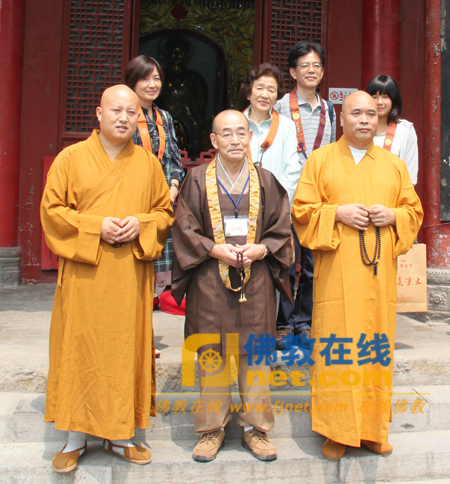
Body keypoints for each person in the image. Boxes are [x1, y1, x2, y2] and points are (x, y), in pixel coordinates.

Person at [40, 85, 174, 473]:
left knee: (123, 349)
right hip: (85, 273)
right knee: (80, 348)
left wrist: (141, 223)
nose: (124, 118)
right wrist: (95, 226)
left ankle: (121, 435)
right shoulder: (71, 158)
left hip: (129, 274)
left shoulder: (148, 163)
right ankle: (74, 437)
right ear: (99, 114)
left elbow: (164, 213)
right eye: (116, 110)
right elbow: (52, 212)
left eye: (132, 112)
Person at [291, 91, 423, 461]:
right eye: (356, 113)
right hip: (337, 275)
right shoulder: (320, 160)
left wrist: (393, 216)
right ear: (342, 117)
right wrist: (337, 213)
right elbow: (302, 211)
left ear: (378, 119)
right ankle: (336, 431)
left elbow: (413, 212)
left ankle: (372, 430)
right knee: (337, 349)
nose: (364, 119)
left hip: (378, 279)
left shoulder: (393, 166)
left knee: (375, 349)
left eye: (370, 113)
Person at [171, 110, 292, 463]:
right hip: (209, 278)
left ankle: (257, 429)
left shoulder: (267, 181)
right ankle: (211, 429)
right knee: (212, 353)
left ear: (250, 137)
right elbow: (184, 227)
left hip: (256, 278)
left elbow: (282, 227)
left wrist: (262, 249)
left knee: (255, 356)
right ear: (214, 140)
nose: (235, 140)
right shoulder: (195, 180)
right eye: (226, 133)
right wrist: (213, 249)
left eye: (241, 132)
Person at [274, 41, 336, 348]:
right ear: (292, 72)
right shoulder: (279, 106)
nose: (311, 71)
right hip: (285, 196)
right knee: (286, 263)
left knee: (312, 265)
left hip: (316, 199)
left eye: (316, 66)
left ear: (322, 72)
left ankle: (304, 321)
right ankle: (282, 323)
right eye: (304, 66)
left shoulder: (329, 109)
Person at [125, 55, 184, 295]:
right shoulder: (126, 116)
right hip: (134, 200)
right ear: (133, 82)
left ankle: (155, 299)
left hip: (163, 201)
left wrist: (173, 188)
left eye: (157, 78)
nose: (152, 85)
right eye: (145, 79)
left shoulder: (164, 117)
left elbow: (174, 159)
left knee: (160, 255)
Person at [240, 63, 300, 205]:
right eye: (259, 88)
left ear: (277, 96)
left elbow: (292, 172)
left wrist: (276, 204)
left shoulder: (287, 127)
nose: (265, 95)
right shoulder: (234, 124)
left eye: (271, 90)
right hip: (239, 204)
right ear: (248, 93)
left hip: (275, 207)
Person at [366, 74, 419, 185]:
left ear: (393, 99)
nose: (379, 102)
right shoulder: (360, 126)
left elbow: (410, 174)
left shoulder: (405, 130)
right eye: (374, 96)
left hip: (395, 193)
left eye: (385, 96)